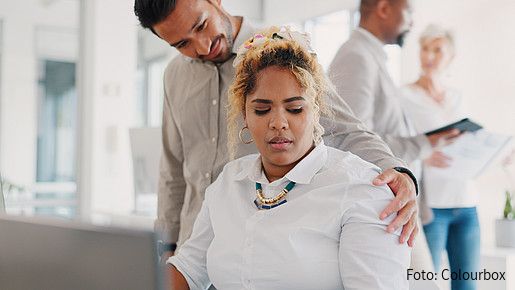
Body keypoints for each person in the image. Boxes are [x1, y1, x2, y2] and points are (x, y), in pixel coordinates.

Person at [133, 0, 420, 260]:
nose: (201, 47)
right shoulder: (173, 76)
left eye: (201, 25)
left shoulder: (279, 51)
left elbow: (347, 131)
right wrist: (166, 246)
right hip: (191, 252)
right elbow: (173, 168)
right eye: (182, 43)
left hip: (258, 253)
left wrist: (399, 172)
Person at [167, 26, 411, 290]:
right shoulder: (229, 181)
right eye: (261, 110)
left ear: (316, 110)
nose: (278, 123)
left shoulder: (362, 190)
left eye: (295, 109)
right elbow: (189, 269)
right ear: (245, 117)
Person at [327, 0, 461, 272]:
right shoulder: (357, 56)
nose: (411, 22)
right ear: (385, 9)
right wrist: (423, 144)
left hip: (396, 205)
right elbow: (353, 138)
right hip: (384, 207)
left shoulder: (370, 54)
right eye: (408, 11)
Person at [400, 24, 479, 290]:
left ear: (451, 57)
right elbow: (397, 144)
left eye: (437, 50)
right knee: (425, 284)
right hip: (431, 208)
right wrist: (423, 155)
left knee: (466, 286)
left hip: (466, 202)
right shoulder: (404, 96)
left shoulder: (458, 96)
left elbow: (469, 141)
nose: (429, 56)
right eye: (424, 49)